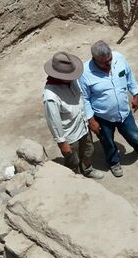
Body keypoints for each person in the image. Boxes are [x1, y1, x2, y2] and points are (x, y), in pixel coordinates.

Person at [78, 40, 138, 178]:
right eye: (104, 62)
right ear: (94, 59)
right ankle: (114, 162)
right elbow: (84, 98)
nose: (109, 64)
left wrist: (135, 94)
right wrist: (91, 120)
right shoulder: (85, 73)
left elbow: (129, 76)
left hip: (124, 112)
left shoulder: (119, 58)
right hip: (103, 117)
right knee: (107, 142)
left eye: (110, 60)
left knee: (134, 134)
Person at [42, 51, 104, 179]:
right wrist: (62, 143)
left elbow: (81, 100)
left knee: (88, 151)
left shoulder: (72, 81)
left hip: (83, 127)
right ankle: (75, 179)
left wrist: (88, 119)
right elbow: (54, 122)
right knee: (72, 161)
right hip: (70, 136)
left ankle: (87, 169)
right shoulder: (51, 96)